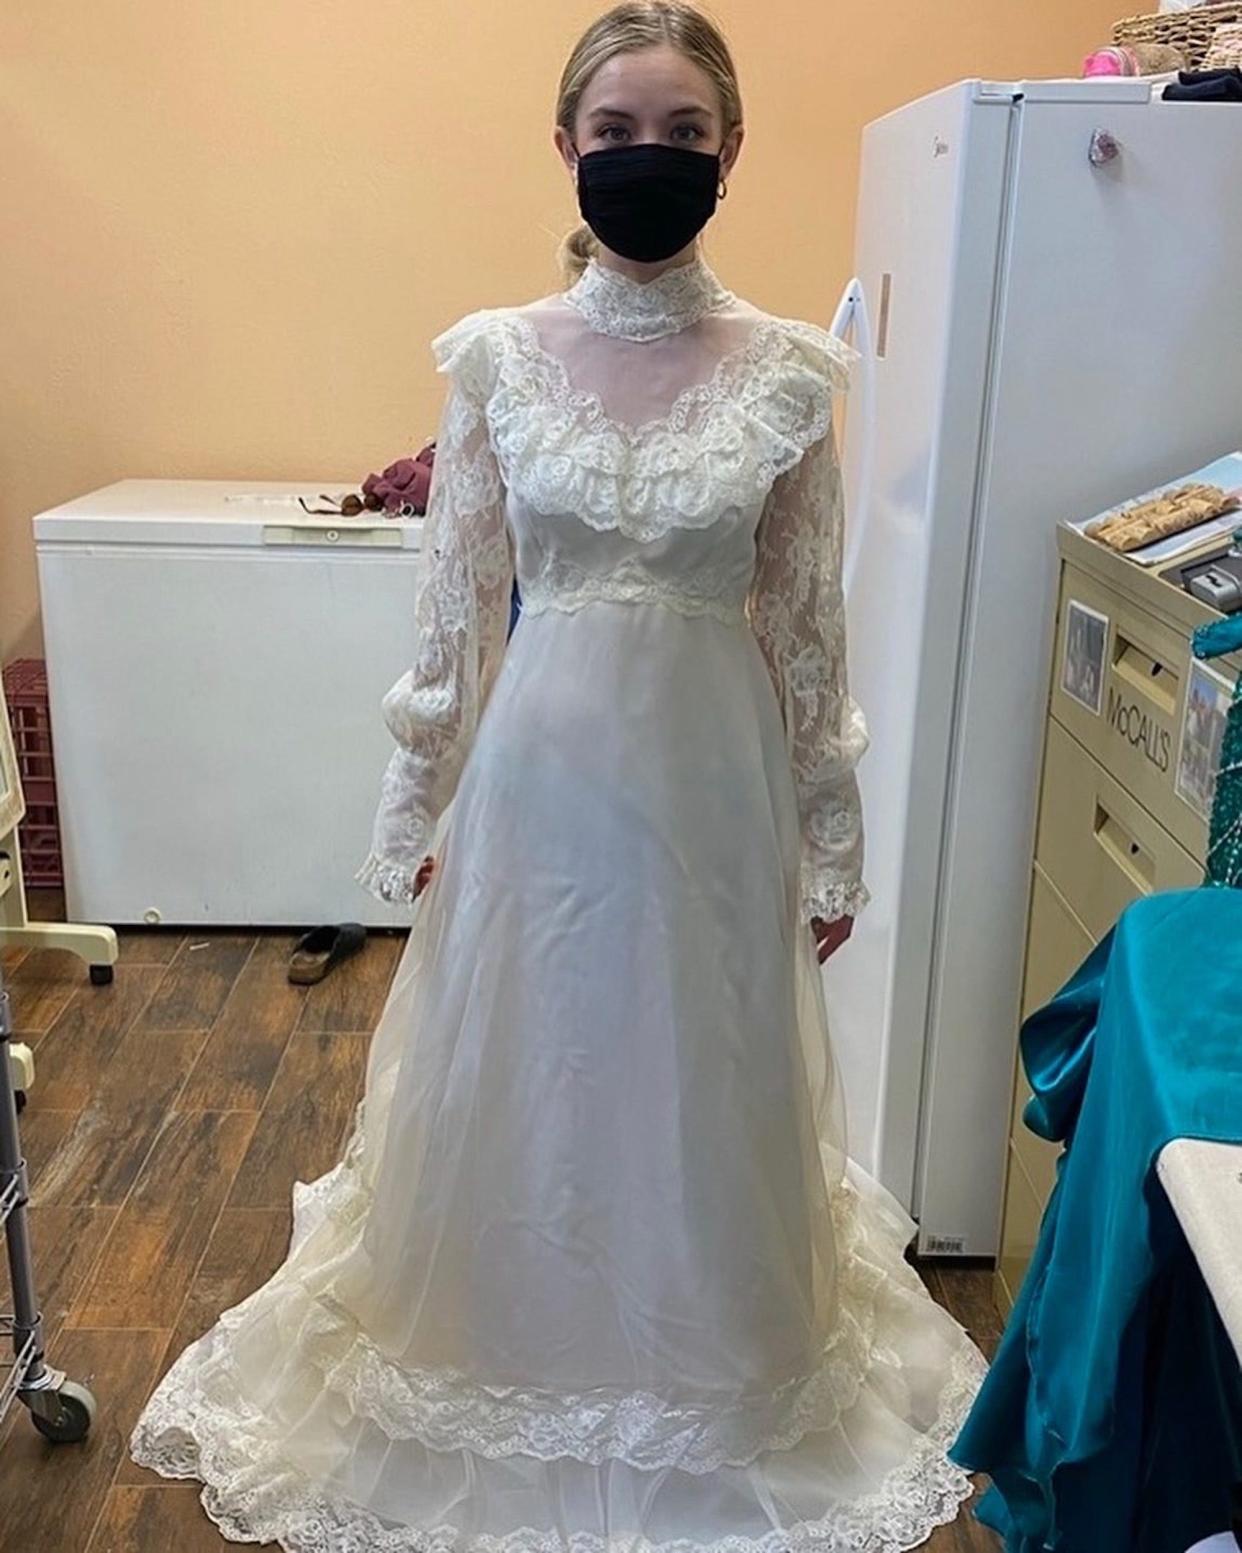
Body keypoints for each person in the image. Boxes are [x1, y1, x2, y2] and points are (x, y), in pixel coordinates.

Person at [128, 5, 989, 1548]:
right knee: (533, 1049)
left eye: (680, 135)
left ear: (730, 151)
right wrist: (415, 812)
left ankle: (714, 1354)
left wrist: (833, 842)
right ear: (565, 147)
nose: (646, 161)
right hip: (544, 770)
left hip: (711, 777)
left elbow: (805, 633)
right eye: (616, 134)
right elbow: (452, 611)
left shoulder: (793, 374)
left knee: (695, 1060)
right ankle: (499, 1336)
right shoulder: (497, 361)